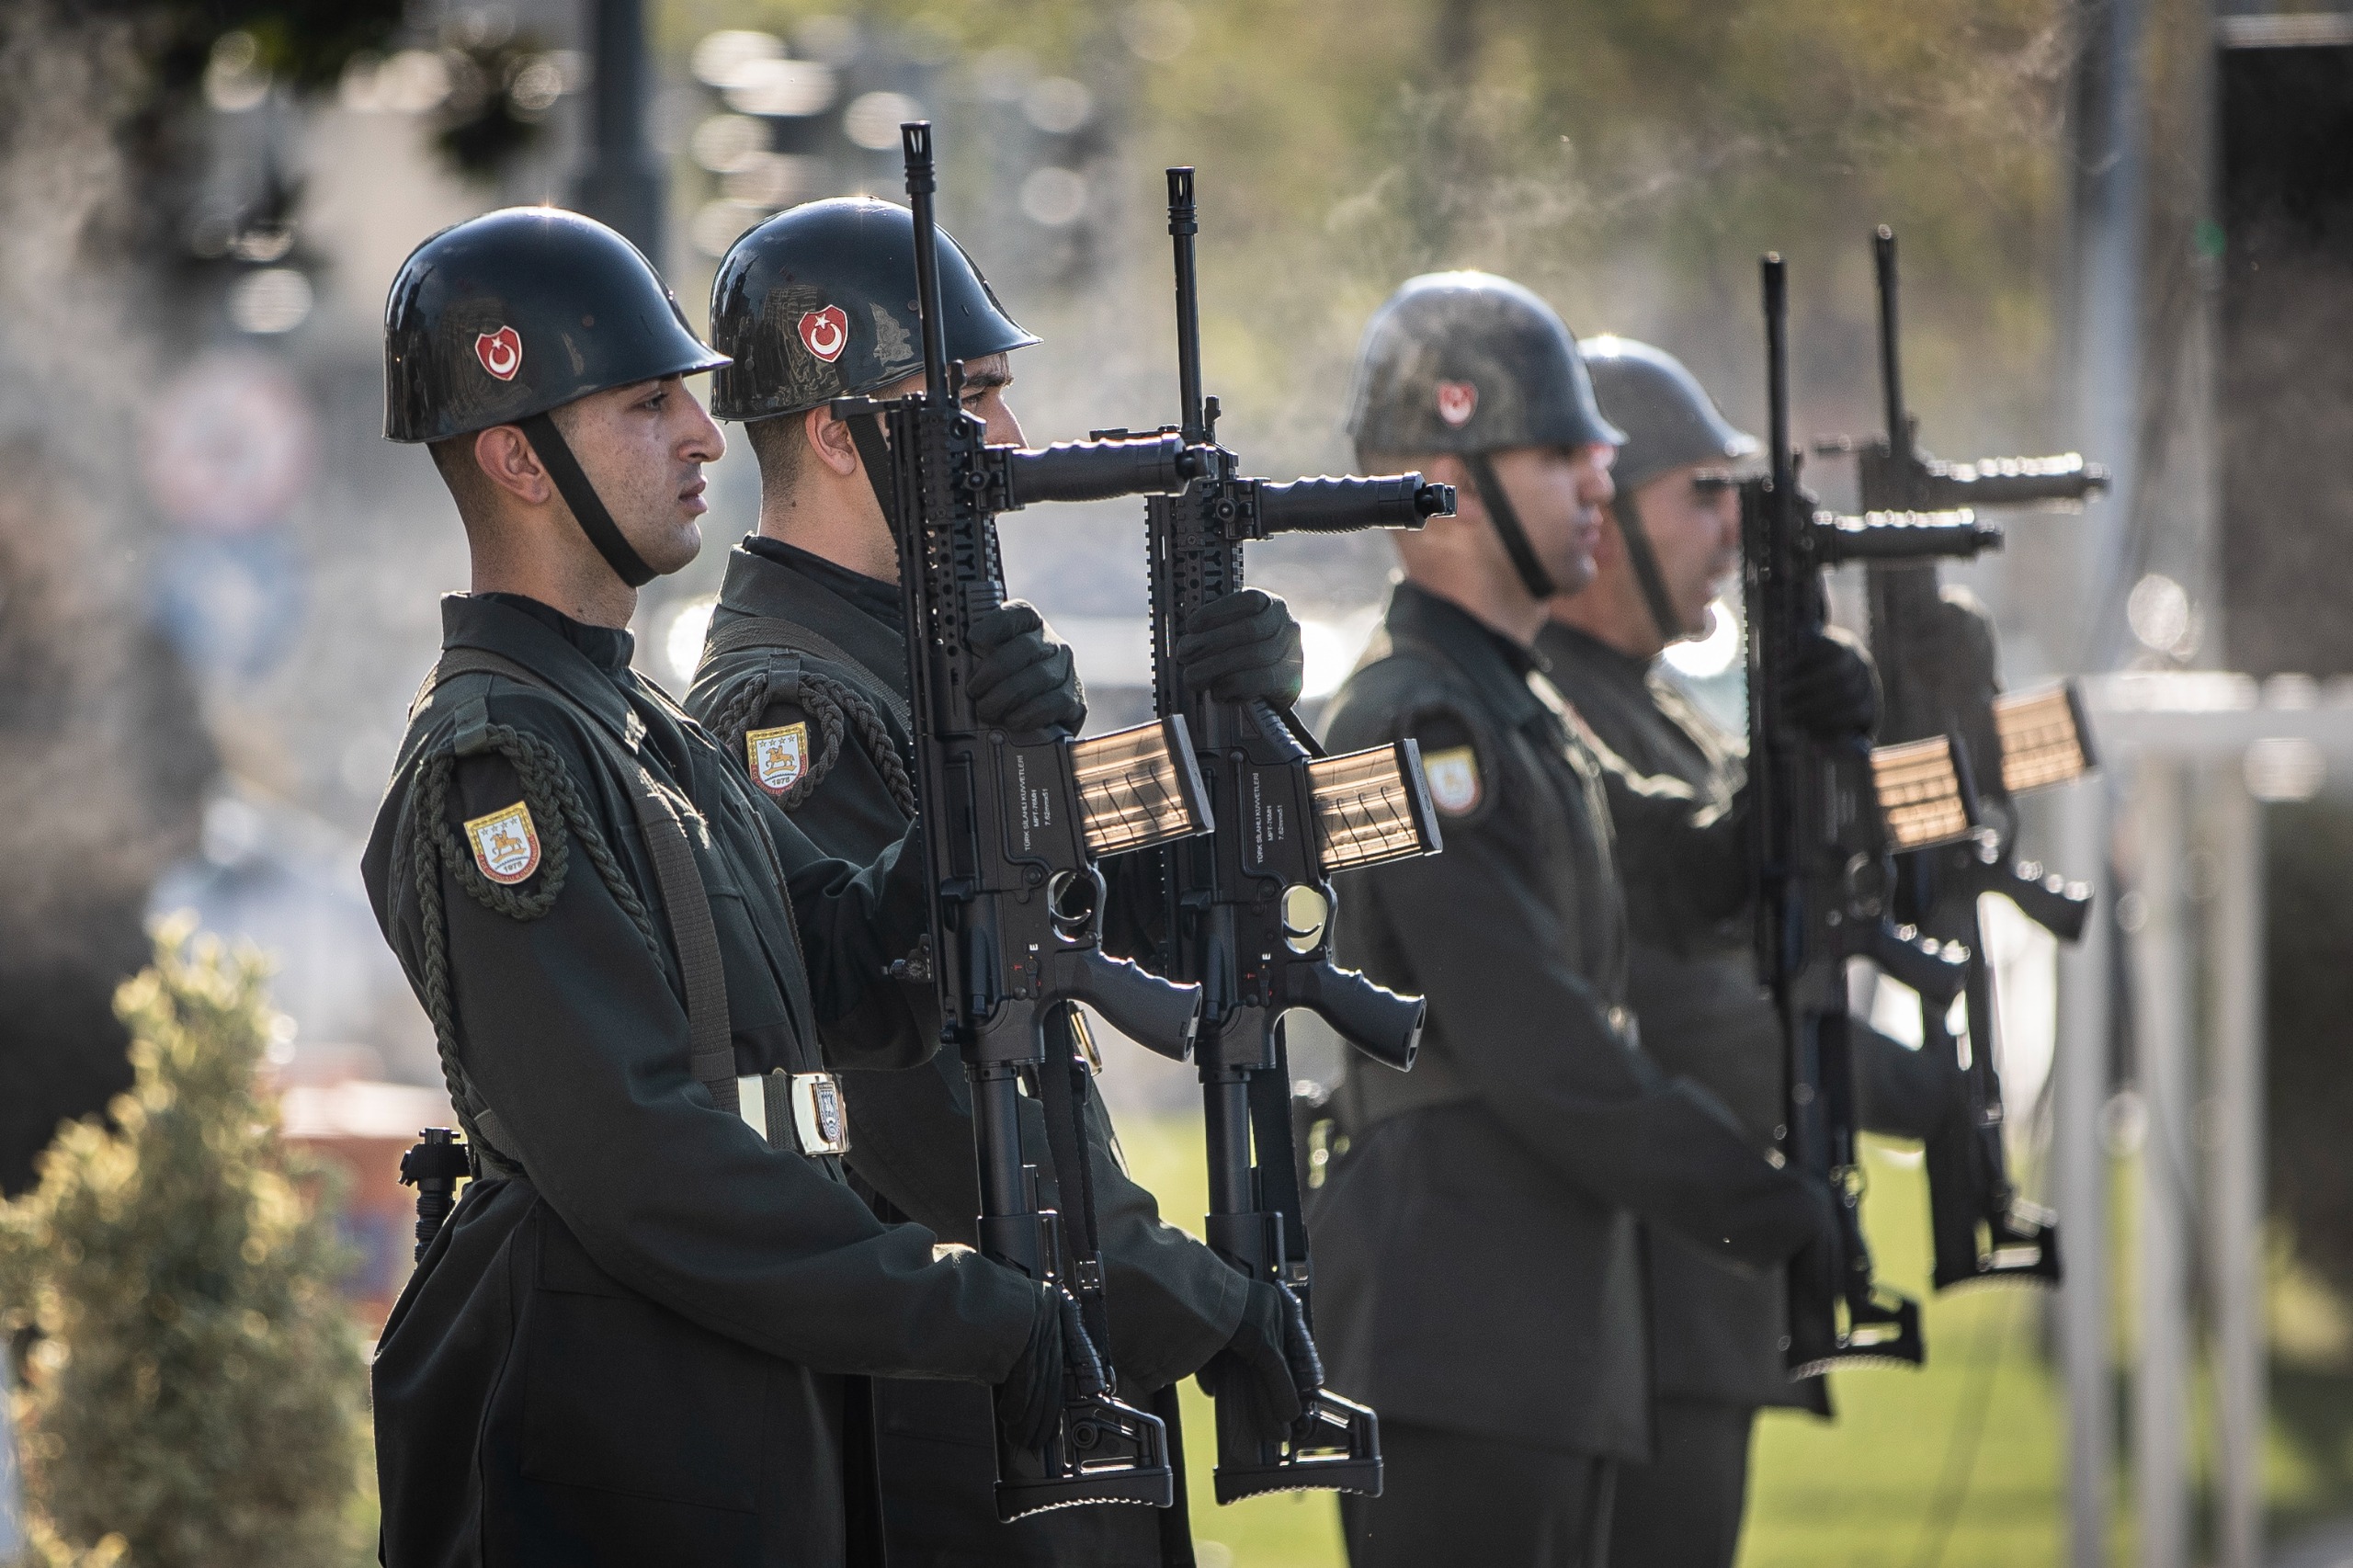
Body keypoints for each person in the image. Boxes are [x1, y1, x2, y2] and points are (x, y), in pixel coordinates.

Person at [361, 207, 1104, 1568]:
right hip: (610, 1446)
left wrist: (989, 791)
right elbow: (640, 1156)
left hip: (726, 1431)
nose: (707, 436)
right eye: (649, 405)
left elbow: (839, 979)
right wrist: (963, 1304)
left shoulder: (640, 727)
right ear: (516, 455)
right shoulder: (499, 756)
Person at [684, 197, 1319, 1567]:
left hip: (1055, 1354)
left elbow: (1135, 912)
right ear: (846, 433)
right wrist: (1193, 1302)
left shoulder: (935, 668)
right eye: (970, 398)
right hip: (963, 1413)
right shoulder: (789, 703)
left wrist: (1230, 725)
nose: (1012, 443)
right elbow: (913, 1105)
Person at [1309, 272, 1867, 1568]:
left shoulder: (1515, 714)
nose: (1598, 489)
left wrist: (1801, 739)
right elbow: (1540, 1048)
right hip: (1460, 1350)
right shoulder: (1405, 724)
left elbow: (1688, 872)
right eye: (1561, 454)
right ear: (1447, 477)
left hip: (1548, 1350)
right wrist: (1764, 1203)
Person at [1540, 335, 1962, 1568]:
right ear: (1603, 513)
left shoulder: (1647, 701)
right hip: (1638, 1304)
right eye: (1702, 492)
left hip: (1687, 1299)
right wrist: (1903, 1089)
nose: (1731, 529)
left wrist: (1908, 714)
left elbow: (1801, 886)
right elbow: (1685, 1000)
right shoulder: (1560, 703)